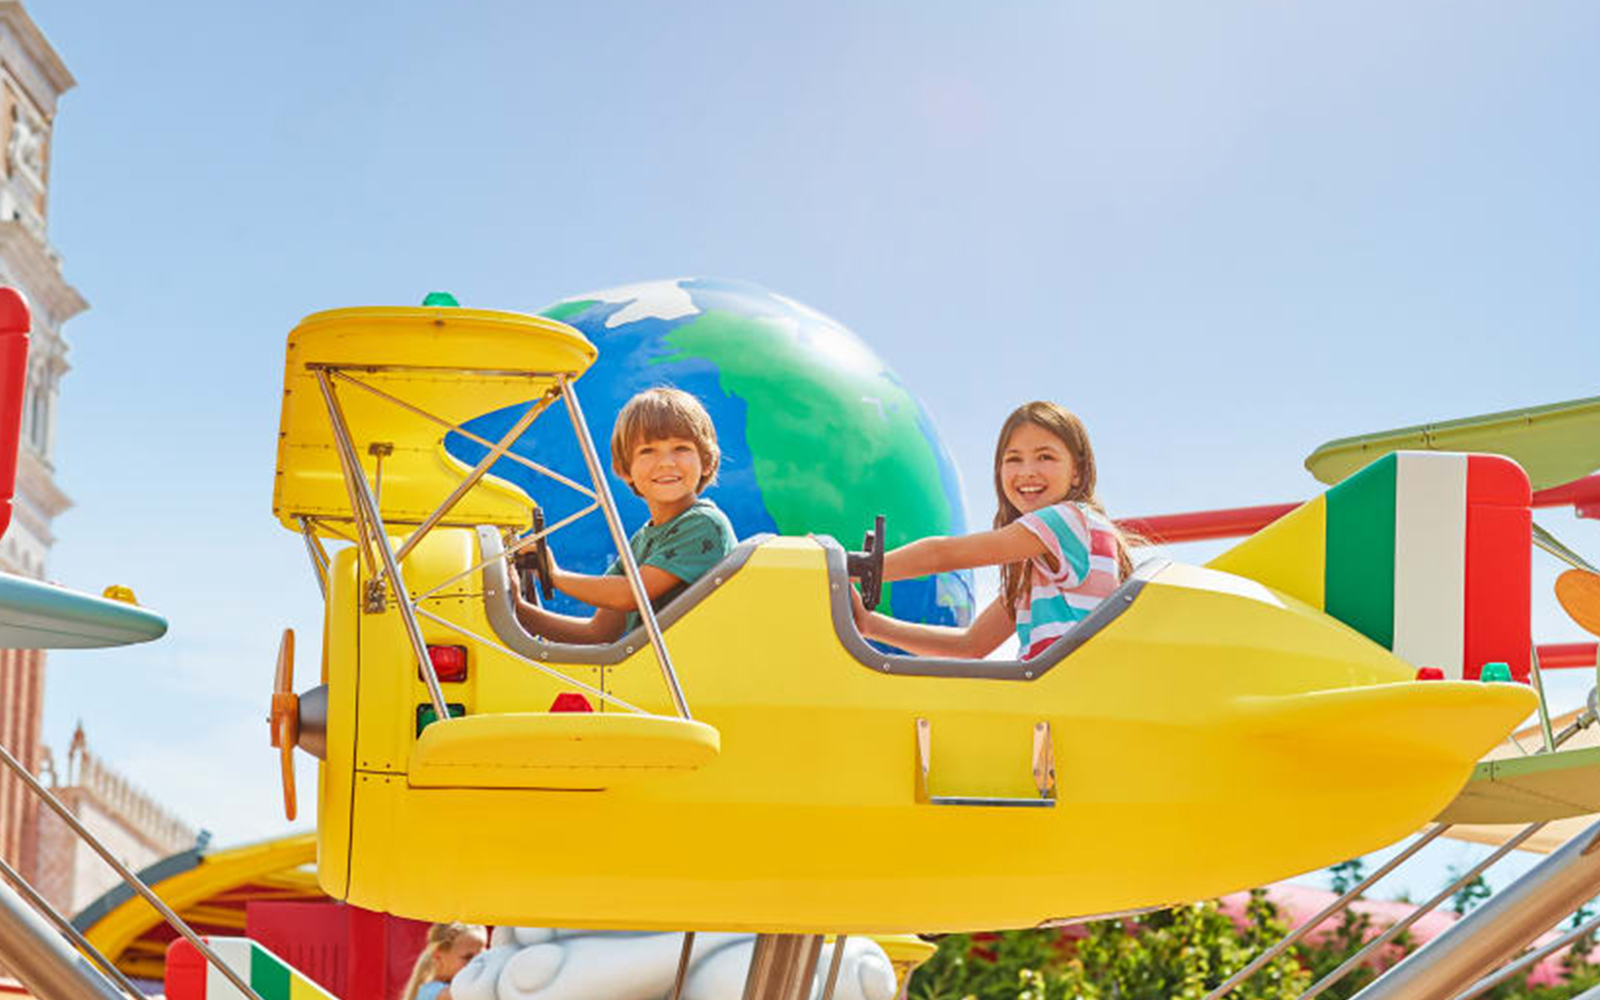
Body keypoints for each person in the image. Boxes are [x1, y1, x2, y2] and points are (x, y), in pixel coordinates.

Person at [853, 401, 1135, 660]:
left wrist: (854, 570)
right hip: (1059, 691)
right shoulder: (1041, 564)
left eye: (1045, 457)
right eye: (1014, 459)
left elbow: (943, 555)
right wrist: (869, 625)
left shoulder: (1067, 519)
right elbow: (971, 645)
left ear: (1077, 472)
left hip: (1065, 690)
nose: (1027, 471)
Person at [513, 387, 736, 642]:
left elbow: (630, 594)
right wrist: (516, 609)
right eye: (648, 451)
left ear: (707, 461)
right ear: (624, 469)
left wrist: (555, 575)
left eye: (681, 448)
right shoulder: (642, 540)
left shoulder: (702, 524)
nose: (666, 462)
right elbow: (599, 632)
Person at [401, 923, 485, 1000]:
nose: (476, 964)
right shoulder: (432, 991)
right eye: (467, 957)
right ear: (438, 956)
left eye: (482, 957)